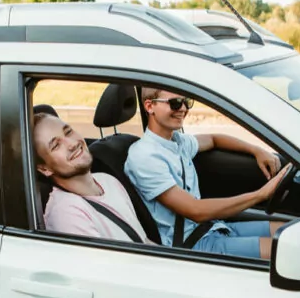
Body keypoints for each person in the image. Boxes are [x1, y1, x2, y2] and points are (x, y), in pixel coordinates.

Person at [124, 88, 290, 259]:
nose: (182, 109)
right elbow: (195, 210)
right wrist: (260, 195)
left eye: (186, 102)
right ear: (150, 106)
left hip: (212, 227)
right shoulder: (145, 156)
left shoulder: (177, 141)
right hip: (193, 245)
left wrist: (256, 150)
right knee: (289, 251)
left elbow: (213, 139)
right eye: (174, 103)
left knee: (292, 234)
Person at [33, 112, 151, 243]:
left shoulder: (108, 180)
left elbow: (144, 242)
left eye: (68, 132)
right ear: (44, 168)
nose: (72, 144)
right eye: (56, 145)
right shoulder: (66, 213)